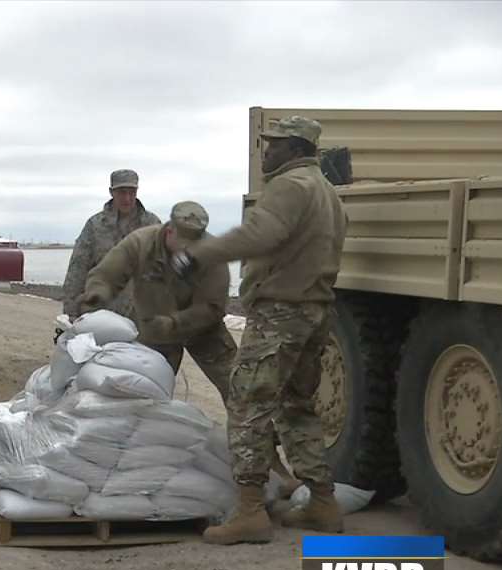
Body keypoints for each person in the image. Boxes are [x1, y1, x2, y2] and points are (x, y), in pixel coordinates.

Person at [170, 115, 348, 545]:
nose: (266, 151)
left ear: (297, 147)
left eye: (274, 144)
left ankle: (250, 510)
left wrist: (201, 255)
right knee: (297, 407)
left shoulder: (290, 187)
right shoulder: (326, 191)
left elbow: (259, 234)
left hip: (280, 314)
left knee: (248, 404)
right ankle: (323, 502)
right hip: (316, 311)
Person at [77, 201, 235, 402]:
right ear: (169, 231)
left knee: (240, 388)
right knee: (144, 392)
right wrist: (97, 293)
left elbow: (214, 307)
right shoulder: (140, 243)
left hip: (203, 328)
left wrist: (176, 322)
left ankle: (249, 432)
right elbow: (107, 275)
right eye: (185, 246)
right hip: (154, 330)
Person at [61, 169, 161, 322]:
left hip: (141, 317)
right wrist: (71, 313)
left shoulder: (152, 224)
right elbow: (77, 270)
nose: (127, 198)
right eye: (121, 192)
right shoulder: (95, 226)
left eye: (132, 192)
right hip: (101, 315)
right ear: (111, 192)